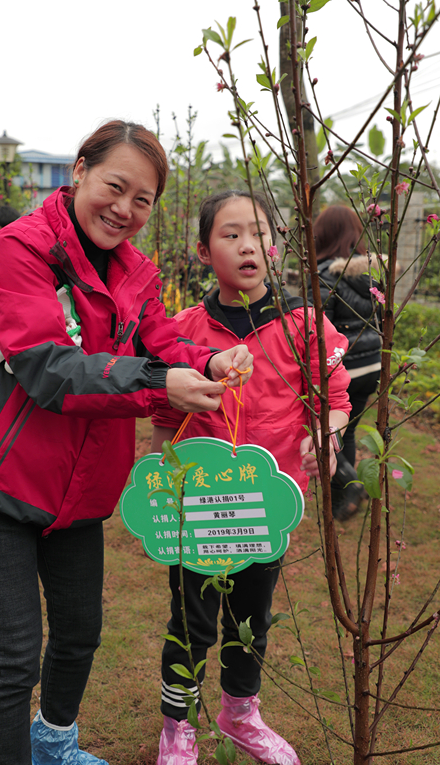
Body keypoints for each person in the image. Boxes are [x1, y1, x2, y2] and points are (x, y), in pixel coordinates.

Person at [0, 121, 253, 765]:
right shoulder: (18, 252)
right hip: (1, 482)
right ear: (79, 170)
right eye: (116, 187)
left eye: (143, 200)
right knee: (15, 659)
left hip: (82, 489)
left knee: (80, 634)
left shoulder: (135, 270)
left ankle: (55, 743)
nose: (126, 210)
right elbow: (49, 366)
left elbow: (158, 342)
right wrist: (162, 382)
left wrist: (209, 362)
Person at [151, 190, 351, 765]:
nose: (247, 245)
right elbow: (166, 421)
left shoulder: (304, 324)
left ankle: (240, 713)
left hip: (267, 507)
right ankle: (177, 726)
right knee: (189, 621)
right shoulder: (184, 333)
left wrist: (329, 433)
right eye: (229, 233)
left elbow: (335, 399)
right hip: (196, 509)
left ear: (276, 245)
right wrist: (159, 488)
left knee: (250, 617)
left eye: (259, 232)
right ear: (202, 250)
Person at [308, 205, 382, 520]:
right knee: (345, 431)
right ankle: (344, 492)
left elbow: (315, 328)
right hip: (373, 364)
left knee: (328, 430)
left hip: (344, 368)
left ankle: (347, 483)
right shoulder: (375, 274)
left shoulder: (323, 276)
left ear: (322, 235)